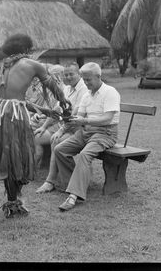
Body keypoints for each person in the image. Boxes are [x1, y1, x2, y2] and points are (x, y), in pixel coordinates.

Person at [0, 34, 69, 221]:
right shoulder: (32, 64)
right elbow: (53, 87)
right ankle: (13, 205)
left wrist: (44, 110)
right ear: (27, 50)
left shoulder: (1, 67)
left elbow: (11, 100)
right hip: (12, 117)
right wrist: (64, 102)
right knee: (14, 158)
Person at [54, 62, 120, 211]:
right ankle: (72, 184)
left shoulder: (110, 92)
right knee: (60, 149)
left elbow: (108, 118)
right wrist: (65, 120)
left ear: (98, 76)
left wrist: (84, 121)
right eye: (84, 80)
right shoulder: (87, 94)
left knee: (84, 155)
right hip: (86, 132)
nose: (86, 83)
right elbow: (79, 116)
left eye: (88, 79)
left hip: (105, 133)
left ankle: (73, 196)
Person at [35, 62, 88, 192]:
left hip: (81, 128)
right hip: (67, 126)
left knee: (56, 140)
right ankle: (32, 171)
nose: (68, 77)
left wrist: (60, 130)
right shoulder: (67, 89)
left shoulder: (84, 89)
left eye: (71, 74)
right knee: (38, 136)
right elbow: (57, 109)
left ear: (79, 74)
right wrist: (44, 126)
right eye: (66, 75)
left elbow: (76, 114)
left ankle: (50, 181)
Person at [32, 64, 66, 167]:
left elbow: (57, 113)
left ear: (60, 76)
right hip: (50, 122)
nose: (49, 78)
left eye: (52, 76)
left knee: (36, 137)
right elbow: (49, 110)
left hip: (59, 125)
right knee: (26, 128)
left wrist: (44, 125)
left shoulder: (63, 90)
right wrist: (40, 116)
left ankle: (32, 167)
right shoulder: (52, 90)